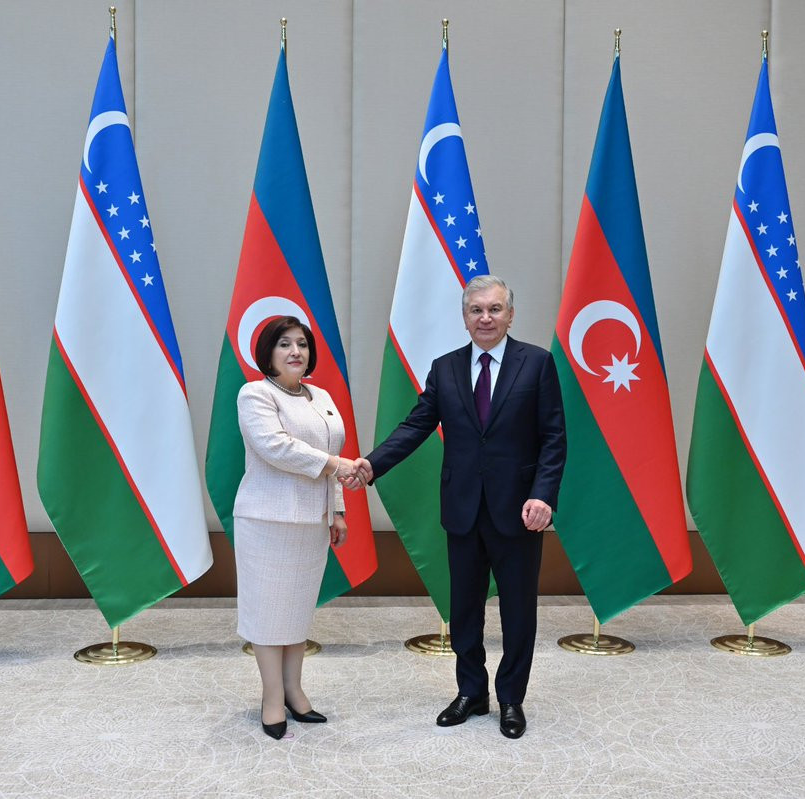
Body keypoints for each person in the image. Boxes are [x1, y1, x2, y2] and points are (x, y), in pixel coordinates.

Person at [350, 275, 565, 739]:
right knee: (464, 609)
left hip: (519, 510)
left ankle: (511, 699)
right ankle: (471, 692)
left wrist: (543, 495)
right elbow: (416, 425)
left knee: (518, 611)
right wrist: (372, 464)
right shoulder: (445, 368)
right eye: (476, 310)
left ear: (511, 315)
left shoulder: (537, 363)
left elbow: (554, 437)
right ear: (464, 317)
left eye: (495, 309)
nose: (485, 318)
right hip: (463, 508)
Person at [233, 315, 357, 741]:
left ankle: (294, 690)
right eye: (284, 343)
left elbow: (331, 452)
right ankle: (272, 698)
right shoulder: (255, 394)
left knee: (297, 610)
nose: (295, 351)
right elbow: (275, 447)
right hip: (266, 520)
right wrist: (337, 465)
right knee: (268, 613)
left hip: (312, 521)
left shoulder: (320, 395)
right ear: (268, 352)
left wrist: (337, 510)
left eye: (302, 344)